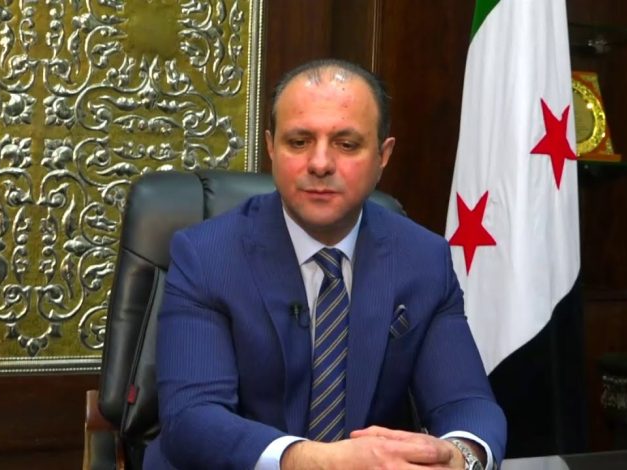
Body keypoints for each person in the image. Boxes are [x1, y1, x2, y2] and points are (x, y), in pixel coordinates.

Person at [144, 59, 507, 469]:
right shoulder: (206, 255)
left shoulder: (423, 258)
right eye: (299, 142)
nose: (320, 163)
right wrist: (322, 461)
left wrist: (458, 457)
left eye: (346, 144)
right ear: (271, 148)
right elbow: (192, 419)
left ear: (383, 155)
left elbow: (467, 403)